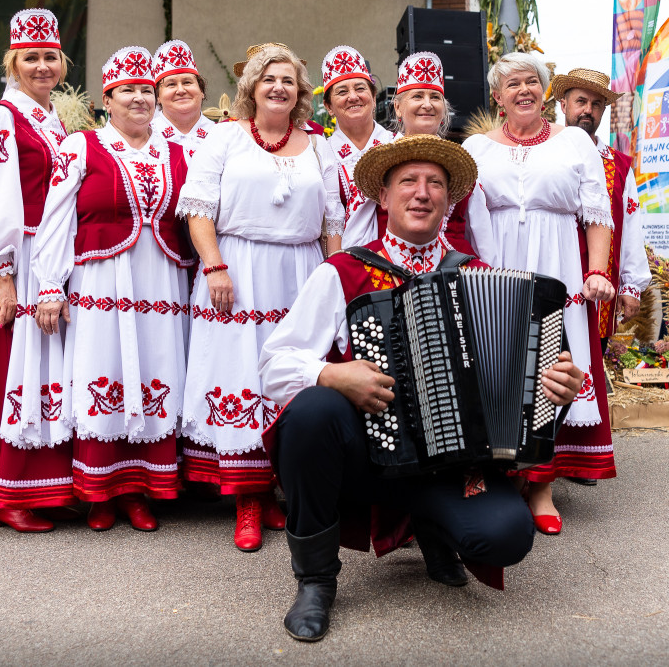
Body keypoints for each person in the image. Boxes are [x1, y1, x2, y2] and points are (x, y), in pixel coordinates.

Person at [258, 135, 586, 641]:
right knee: (311, 412)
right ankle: (316, 581)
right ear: (383, 197)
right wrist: (329, 373)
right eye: (408, 181)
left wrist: (556, 390)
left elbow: (525, 405)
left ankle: (433, 528)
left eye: (435, 183)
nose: (421, 192)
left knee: (506, 537)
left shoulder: (480, 276)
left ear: (448, 202)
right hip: (365, 461)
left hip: (455, 468)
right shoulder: (344, 272)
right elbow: (274, 365)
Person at [176, 43, 344, 552]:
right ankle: (247, 499)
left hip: (300, 271)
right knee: (239, 372)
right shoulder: (224, 137)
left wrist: (333, 280)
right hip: (237, 268)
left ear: (300, 93)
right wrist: (215, 266)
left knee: (292, 375)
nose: (278, 87)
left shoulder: (320, 146)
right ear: (252, 87)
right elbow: (199, 208)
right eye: (269, 79)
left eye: (289, 80)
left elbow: (332, 224)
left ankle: (283, 486)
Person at [30, 46, 196, 531]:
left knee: (154, 370)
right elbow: (55, 220)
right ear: (108, 99)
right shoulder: (81, 147)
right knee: (105, 370)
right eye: (129, 91)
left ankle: (144, 490)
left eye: (148, 90)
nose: (140, 98)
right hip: (100, 280)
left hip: (162, 284)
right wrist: (48, 286)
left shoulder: (178, 154)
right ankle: (102, 492)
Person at [462, 52, 616, 534]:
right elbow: (468, 218)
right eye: (513, 84)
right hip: (499, 268)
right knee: (503, 371)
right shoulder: (476, 148)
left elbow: (596, 214)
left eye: (532, 82)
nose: (523, 90)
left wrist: (595, 272)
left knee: (555, 369)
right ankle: (507, 475)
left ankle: (543, 485)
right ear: (497, 96)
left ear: (544, 92)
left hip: (558, 268)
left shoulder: (573, 141)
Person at [0, 8, 75, 532]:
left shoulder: (53, 120)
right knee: (14, 370)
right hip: (18, 259)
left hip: (49, 255)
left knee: (47, 367)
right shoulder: (1, 118)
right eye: (32, 58)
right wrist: (2, 272)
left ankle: (44, 484)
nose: (42, 66)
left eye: (50, 57)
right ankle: (8, 495)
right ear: (13, 63)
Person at [555, 69, 651, 348]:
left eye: (596, 105)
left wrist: (631, 286)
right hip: (551, 268)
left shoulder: (619, 165)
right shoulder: (544, 153)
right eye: (581, 101)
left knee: (592, 355)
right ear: (563, 105)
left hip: (599, 282)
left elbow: (631, 225)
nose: (588, 110)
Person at [390, 51, 494, 259]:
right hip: (393, 263)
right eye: (417, 96)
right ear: (398, 107)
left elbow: (482, 236)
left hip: (452, 269)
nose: (427, 104)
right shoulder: (379, 161)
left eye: (435, 97)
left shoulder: (462, 164)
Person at [321, 45, 394, 247]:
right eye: (342, 92)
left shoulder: (397, 145)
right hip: (345, 261)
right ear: (328, 107)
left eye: (360, 88)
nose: (353, 97)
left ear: (372, 95)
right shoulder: (322, 154)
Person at [150, 40, 215, 159]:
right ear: (158, 97)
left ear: (201, 91)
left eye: (187, 82)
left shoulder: (220, 134)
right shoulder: (146, 135)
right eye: (171, 84)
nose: (180, 90)